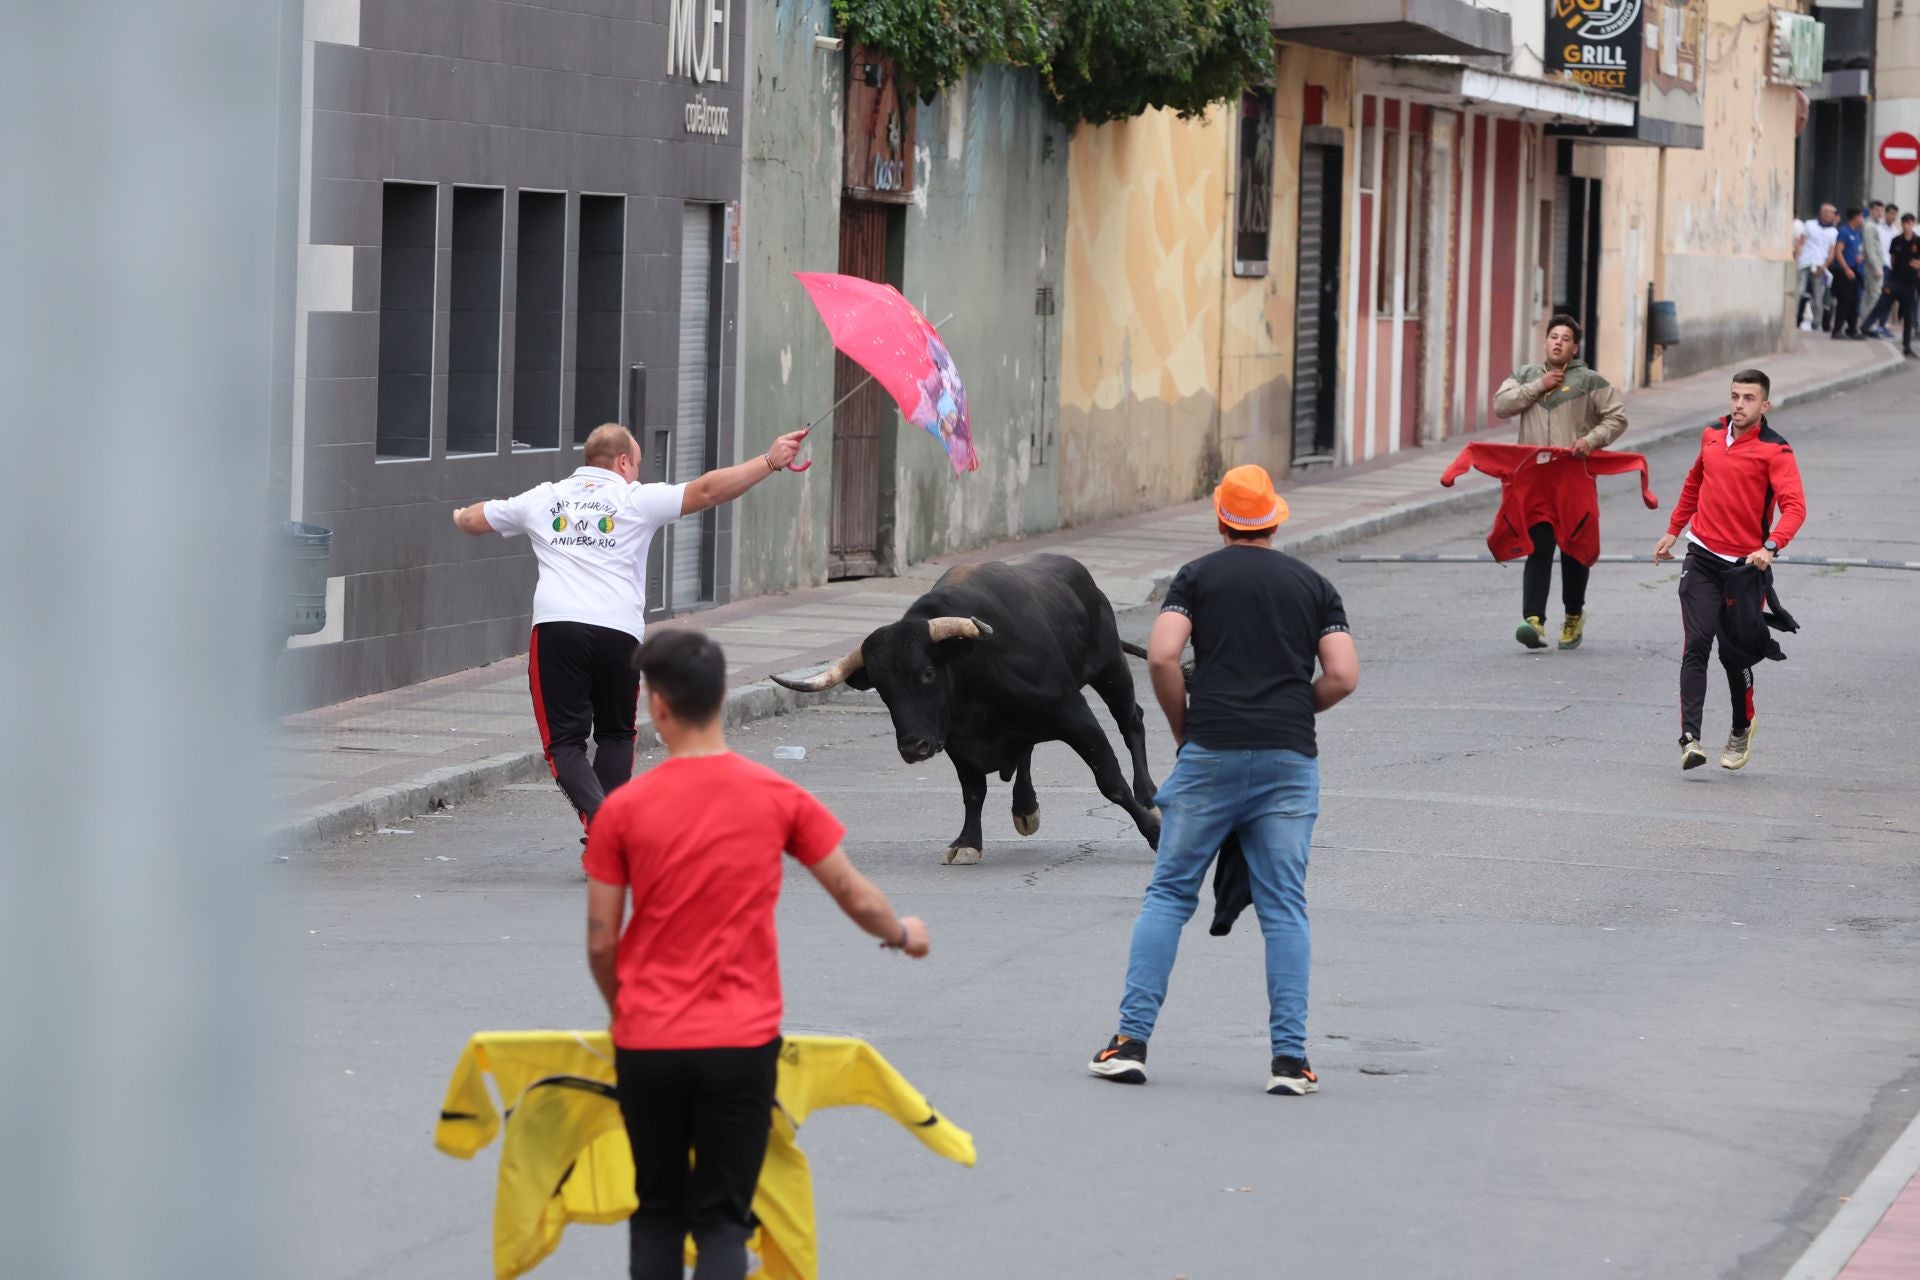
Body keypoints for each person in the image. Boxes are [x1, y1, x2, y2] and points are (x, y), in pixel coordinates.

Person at [585, 629, 930, 1280]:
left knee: (657, 1212)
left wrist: (625, 1014)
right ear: (718, 699)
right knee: (722, 1219)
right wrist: (903, 933)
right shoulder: (776, 797)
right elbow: (853, 894)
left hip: (649, 1044)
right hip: (739, 1047)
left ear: (657, 706)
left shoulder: (621, 810)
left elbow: (603, 939)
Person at [1088, 465, 1359, 1096]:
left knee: (1169, 896)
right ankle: (1290, 1061)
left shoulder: (1198, 578)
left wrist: (1187, 726)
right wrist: (1293, 709)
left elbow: (1160, 654)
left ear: (1221, 520)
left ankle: (1129, 1042)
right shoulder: (1314, 585)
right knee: (1285, 906)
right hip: (1288, 762)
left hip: (1210, 753)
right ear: (1274, 519)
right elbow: (1343, 674)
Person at [453, 423, 805, 837]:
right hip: (618, 632)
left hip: (557, 630)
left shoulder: (543, 497)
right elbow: (709, 490)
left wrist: (459, 516)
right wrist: (768, 462)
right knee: (617, 734)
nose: (637, 473)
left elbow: (477, 519)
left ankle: (607, 825)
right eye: (637, 464)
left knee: (564, 744)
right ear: (622, 461)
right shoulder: (635, 498)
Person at [1654, 370, 1807, 771]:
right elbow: (1694, 481)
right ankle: (1690, 739)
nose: (1739, 405)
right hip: (1702, 555)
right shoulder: (1710, 435)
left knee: (1733, 655)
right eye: (1735, 396)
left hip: (1744, 567)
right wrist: (1673, 530)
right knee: (1697, 643)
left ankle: (1743, 727)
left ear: (1765, 406)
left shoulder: (1777, 451)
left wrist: (1770, 545)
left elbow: (1795, 507)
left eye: (1749, 398)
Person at [1490, 313, 1629, 650]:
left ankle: (1573, 614)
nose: (1558, 342)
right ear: (1545, 341)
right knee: (1538, 548)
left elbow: (1617, 417)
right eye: (1553, 336)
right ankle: (1533, 621)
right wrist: (1539, 386)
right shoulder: (1524, 375)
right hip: (1535, 481)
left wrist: (1591, 440)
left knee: (1574, 549)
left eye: (1565, 338)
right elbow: (1501, 406)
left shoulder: (1590, 381)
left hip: (1573, 479)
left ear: (1575, 347)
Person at [1795, 205, 1838, 331]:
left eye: (1831, 212)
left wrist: (1823, 267)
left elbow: (1831, 253)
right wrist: (1797, 258)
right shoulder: (1810, 225)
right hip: (1805, 262)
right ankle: (1794, 318)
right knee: (1799, 292)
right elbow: (1801, 242)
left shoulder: (1833, 232)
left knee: (1818, 296)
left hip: (1820, 265)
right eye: (1826, 212)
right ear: (1821, 212)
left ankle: (1817, 322)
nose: (1828, 214)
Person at [1829, 208, 1867, 339]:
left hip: (1855, 270)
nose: (1862, 219)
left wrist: (1860, 256)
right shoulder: (1844, 231)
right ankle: (1837, 330)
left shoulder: (1857, 233)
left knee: (1854, 300)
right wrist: (1846, 269)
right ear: (1855, 217)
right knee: (1844, 301)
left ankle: (1852, 329)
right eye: (1861, 216)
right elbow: (1838, 252)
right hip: (1844, 271)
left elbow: (1858, 250)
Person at [1891, 213, 1920, 358]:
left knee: (1908, 314)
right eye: (1904, 223)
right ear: (1901, 224)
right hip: (1896, 281)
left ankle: (1907, 346)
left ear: (1913, 224)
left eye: (1910, 223)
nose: (1907, 226)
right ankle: (1867, 328)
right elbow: (1893, 259)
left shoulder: (1918, 241)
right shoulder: (1896, 240)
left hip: (1911, 283)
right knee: (1884, 303)